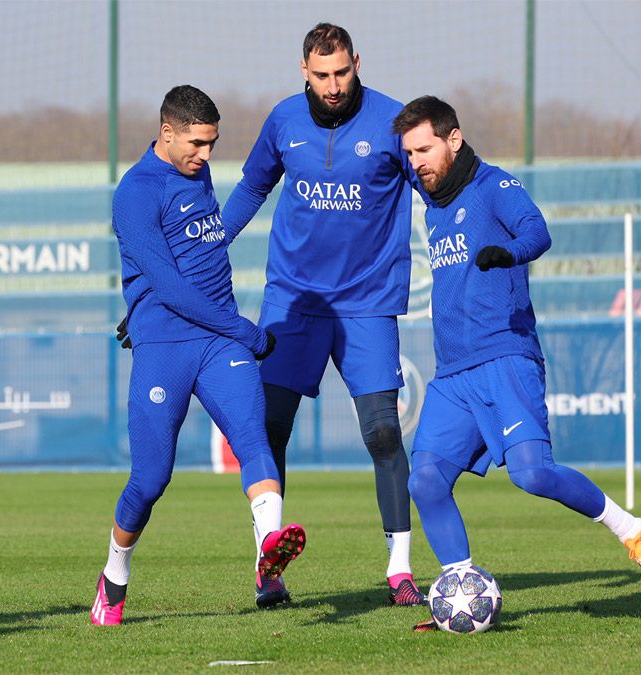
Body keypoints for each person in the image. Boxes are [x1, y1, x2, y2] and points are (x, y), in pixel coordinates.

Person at [391, 96, 641, 630]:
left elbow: (537, 231)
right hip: (453, 374)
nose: (416, 162)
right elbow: (384, 151)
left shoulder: (493, 185)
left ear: (454, 139)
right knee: (425, 479)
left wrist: (508, 254)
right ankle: (461, 591)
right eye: (409, 153)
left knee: (531, 474)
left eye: (424, 149)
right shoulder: (430, 187)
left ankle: (635, 530)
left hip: (506, 356)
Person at [217, 23, 423, 608]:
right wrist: (204, 253)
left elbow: (435, 187)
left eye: (343, 73)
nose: (333, 86)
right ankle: (269, 564)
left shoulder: (393, 121)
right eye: (321, 75)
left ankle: (400, 568)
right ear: (303, 70)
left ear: (358, 63)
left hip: (367, 303)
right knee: (267, 430)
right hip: (294, 301)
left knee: (383, 431)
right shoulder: (283, 120)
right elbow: (250, 190)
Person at [91, 86, 305, 626]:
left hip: (217, 343)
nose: (206, 155)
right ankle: (114, 575)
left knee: (255, 437)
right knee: (151, 478)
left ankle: (268, 557)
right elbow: (169, 284)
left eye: (211, 144)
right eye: (197, 143)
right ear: (167, 132)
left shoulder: (197, 171)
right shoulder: (135, 192)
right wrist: (246, 331)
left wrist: (231, 333)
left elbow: (201, 249)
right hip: (166, 346)